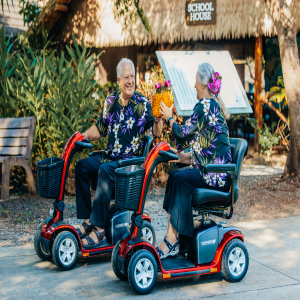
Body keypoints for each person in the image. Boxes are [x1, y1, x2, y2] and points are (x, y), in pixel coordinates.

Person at [75, 58, 163, 248]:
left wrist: (158, 118)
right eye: (126, 77)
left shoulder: (143, 104)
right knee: (82, 166)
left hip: (129, 165)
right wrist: (81, 136)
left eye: (132, 76)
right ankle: (88, 220)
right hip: (111, 157)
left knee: (105, 170)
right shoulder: (110, 101)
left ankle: (99, 230)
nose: (130, 81)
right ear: (118, 80)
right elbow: (99, 129)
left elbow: (156, 134)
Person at [158, 62, 232, 259]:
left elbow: (183, 134)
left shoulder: (205, 105)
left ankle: (171, 240)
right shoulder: (211, 106)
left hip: (216, 177)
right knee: (175, 177)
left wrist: (169, 117)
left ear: (202, 83)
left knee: (179, 179)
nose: (193, 86)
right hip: (213, 172)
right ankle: (175, 237)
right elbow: (209, 147)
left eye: (195, 81)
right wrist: (187, 157)